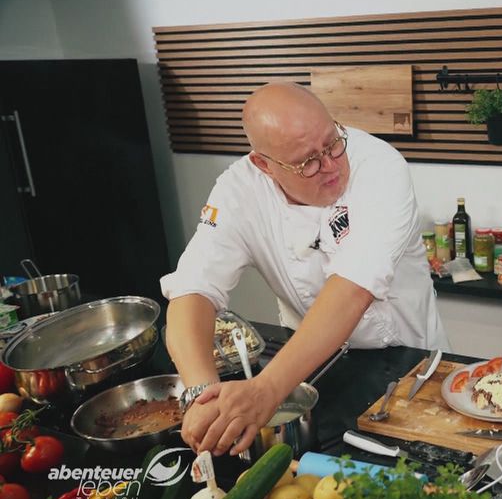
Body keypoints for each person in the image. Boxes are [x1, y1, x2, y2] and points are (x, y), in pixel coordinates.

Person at [160, 82, 449, 455]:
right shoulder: (239, 190)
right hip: (309, 366)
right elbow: (193, 289)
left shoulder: (380, 167)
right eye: (307, 162)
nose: (330, 165)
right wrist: (203, 395)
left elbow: (352, 291)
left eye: (332, 143)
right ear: (264, 165)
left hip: (409, 362)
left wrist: (266, 389)